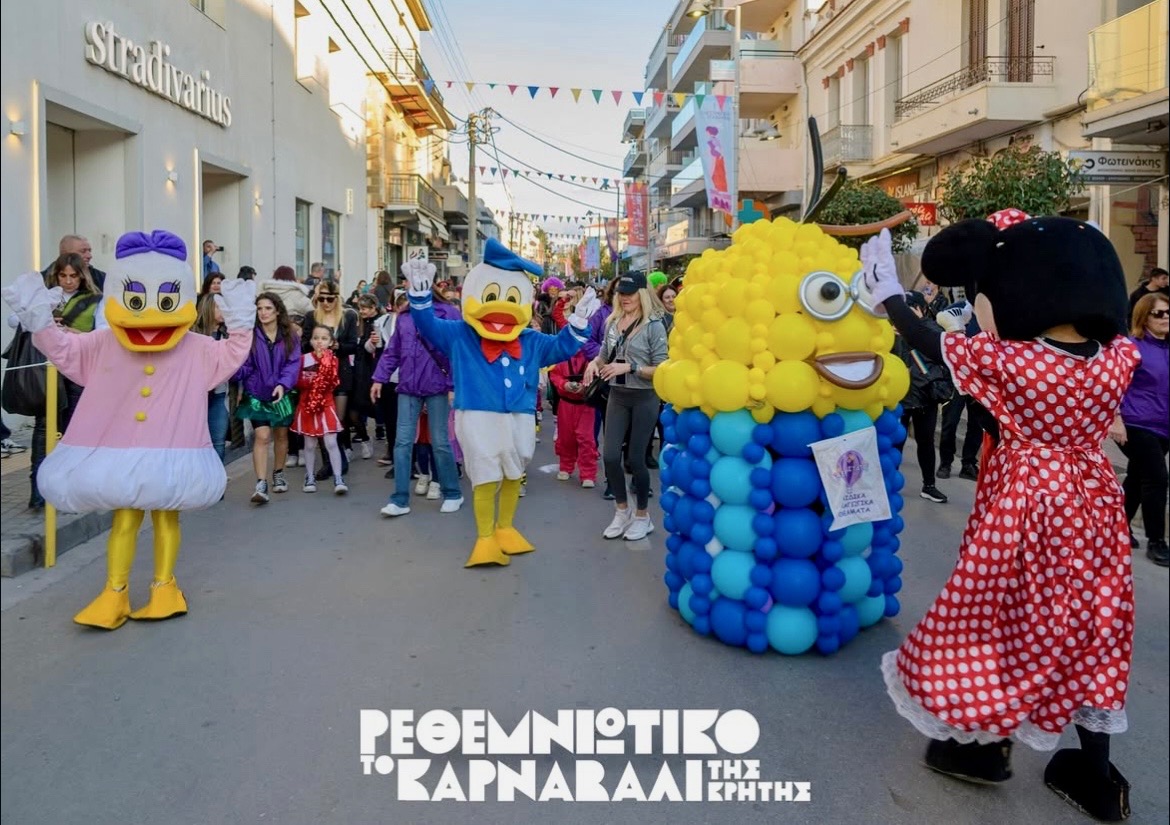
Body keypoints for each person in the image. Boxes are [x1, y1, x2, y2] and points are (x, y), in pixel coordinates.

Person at [864, 211, 1139, 822]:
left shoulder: (1018, 364)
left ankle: (983, 745)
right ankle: (1098, 776)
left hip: (1028, 500)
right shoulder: (1118, 357)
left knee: (995, 617)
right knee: (1094, 626)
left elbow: (932, 341)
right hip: (1094, 503)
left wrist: (889, 295)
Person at [2, 231, 254, 629]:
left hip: (172, 450)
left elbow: (231, 355)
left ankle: (164, 588)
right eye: (135, 301)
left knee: (166, 518)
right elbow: (67, 352)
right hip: (124, 453)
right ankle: (114, 593)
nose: (150, 316)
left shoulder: (195, 347)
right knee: (125, 519)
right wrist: (40, 324)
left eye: (167, 301)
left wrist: (242, 324)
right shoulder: (105, 343)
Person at [402, 240, 597, 568]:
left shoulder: (530, 340)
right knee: (486, 474)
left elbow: (562, 349)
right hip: (478, 415)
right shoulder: (462, 335)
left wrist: (577, 322)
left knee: (513, 471)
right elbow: (428, 326)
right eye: (491, 297)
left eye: (511, 299)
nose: (502, 310)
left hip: (519, 415)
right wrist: (420, 298)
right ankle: (485, 537)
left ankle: (505, 528)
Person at [583, 271, 668, 542]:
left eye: (631, 293)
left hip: (644, 396)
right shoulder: (612, 322)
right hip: (617, 395)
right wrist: (592, 364)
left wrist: (631, 367)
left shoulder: (654, 325)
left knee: (635, 459)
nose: (625, 297)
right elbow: (603, 357)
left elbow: (663, 368)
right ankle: (622, 511)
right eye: (622, 292)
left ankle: (643, 516)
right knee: (609, 457)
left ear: (642, 294)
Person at [371, 285, 461, 517]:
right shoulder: (405, 316)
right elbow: (393, 351)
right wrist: (379, 378)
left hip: (438, 385)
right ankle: (400, 499)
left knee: (440, 441)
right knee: (402, 443)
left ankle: (452, 492)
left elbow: (456, 351)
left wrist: (452, 384)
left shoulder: (448, 313)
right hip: (409, 385)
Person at [24, 253, 101, 508]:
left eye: (73, 276)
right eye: (63, 275)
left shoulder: (96, 300)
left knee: (76, 432)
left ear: (82, 276)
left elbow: (101, 335)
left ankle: (71, 491)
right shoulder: (45, 297)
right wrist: (40, 322)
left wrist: (71, 333)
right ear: (56, 275)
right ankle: (37, 494)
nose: (68, 281)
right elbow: (18, 322)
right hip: (46, 372)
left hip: (78, 372)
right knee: (43, 430)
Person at [1111, 292, 1169, 566]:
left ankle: (1118, 528)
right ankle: (1156, 542)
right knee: (1157, 478)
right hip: (1135, 423)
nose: (1166, 317)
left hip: (1163, 427)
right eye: (1159, 313)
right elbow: (1113, 386)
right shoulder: (1131, 347)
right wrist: (1115, 419)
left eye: (1168, 312)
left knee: (1137, 476)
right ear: (1144, 317)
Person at [235, 292, 300, 504]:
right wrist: (233, 370)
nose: (263, 312)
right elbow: (244, 364)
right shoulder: (250, 335)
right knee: (262, 436)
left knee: (281, 436)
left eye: (268, 308)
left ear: (277, 311)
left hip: (281, 393)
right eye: (260, 308)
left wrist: (283, 384)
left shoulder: (289, 335)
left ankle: (278, 473)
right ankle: (261, 484)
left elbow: (293, 363)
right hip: (256, 393)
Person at [892, 291, 949, 504]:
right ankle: (889, 483)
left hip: (926, 397)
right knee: (896, 442)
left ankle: (929, 485)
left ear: (921, 309)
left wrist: (921, 322)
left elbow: (942, 343)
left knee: (926, 442)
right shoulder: (892, 334)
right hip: (900, 398)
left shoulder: (928, 330)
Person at [302, 280, 359, 480]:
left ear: (337, 298)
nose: (325, 303)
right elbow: (304, 344)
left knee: (338, 418)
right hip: (317, 375)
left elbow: (353, 345)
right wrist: (316, 346)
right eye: (321, 298)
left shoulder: (347, 317)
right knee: (319, 418)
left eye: (329, 299)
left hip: (340, 373)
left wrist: (336, 347)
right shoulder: (311, 317)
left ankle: (339, 454)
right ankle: (329, 462)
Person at [293, 325, 347, 494]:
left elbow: (332, 383)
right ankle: (309, 476)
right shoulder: (303, 359)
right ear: (310, 340)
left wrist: (316, 379)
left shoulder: (333, 360)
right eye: (316, 338)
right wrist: (311, 381)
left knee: (331, 442)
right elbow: (297, 382)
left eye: (324, 338)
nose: (319, 342)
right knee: (309, 444)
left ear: (331, 342)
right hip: (307, 405)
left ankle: (338, 478)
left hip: (326, 405)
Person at [550, 345, 597, 487]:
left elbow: (596, 375)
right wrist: (564, 385)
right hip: (566, 404)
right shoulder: (561, 356)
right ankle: (565, 466)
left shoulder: (591, 358)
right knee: (566, 437)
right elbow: (554, 374)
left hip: (585, 405)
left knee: (586, 439)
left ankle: (588, 474)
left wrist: (584, 386)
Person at [193, 295, 230, 463]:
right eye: (219, 307)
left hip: (219, 394)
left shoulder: (228, 334)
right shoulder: (193, 334)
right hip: (195, 396)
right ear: (209, 308)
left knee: (218, 442)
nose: (223, 311)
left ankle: (219, 486)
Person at [42, 235, 107, 292]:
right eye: (83, 251)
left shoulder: (101, 278)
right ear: (65, 254)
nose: (89, 256)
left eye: (89, 250)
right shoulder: (42, 281)